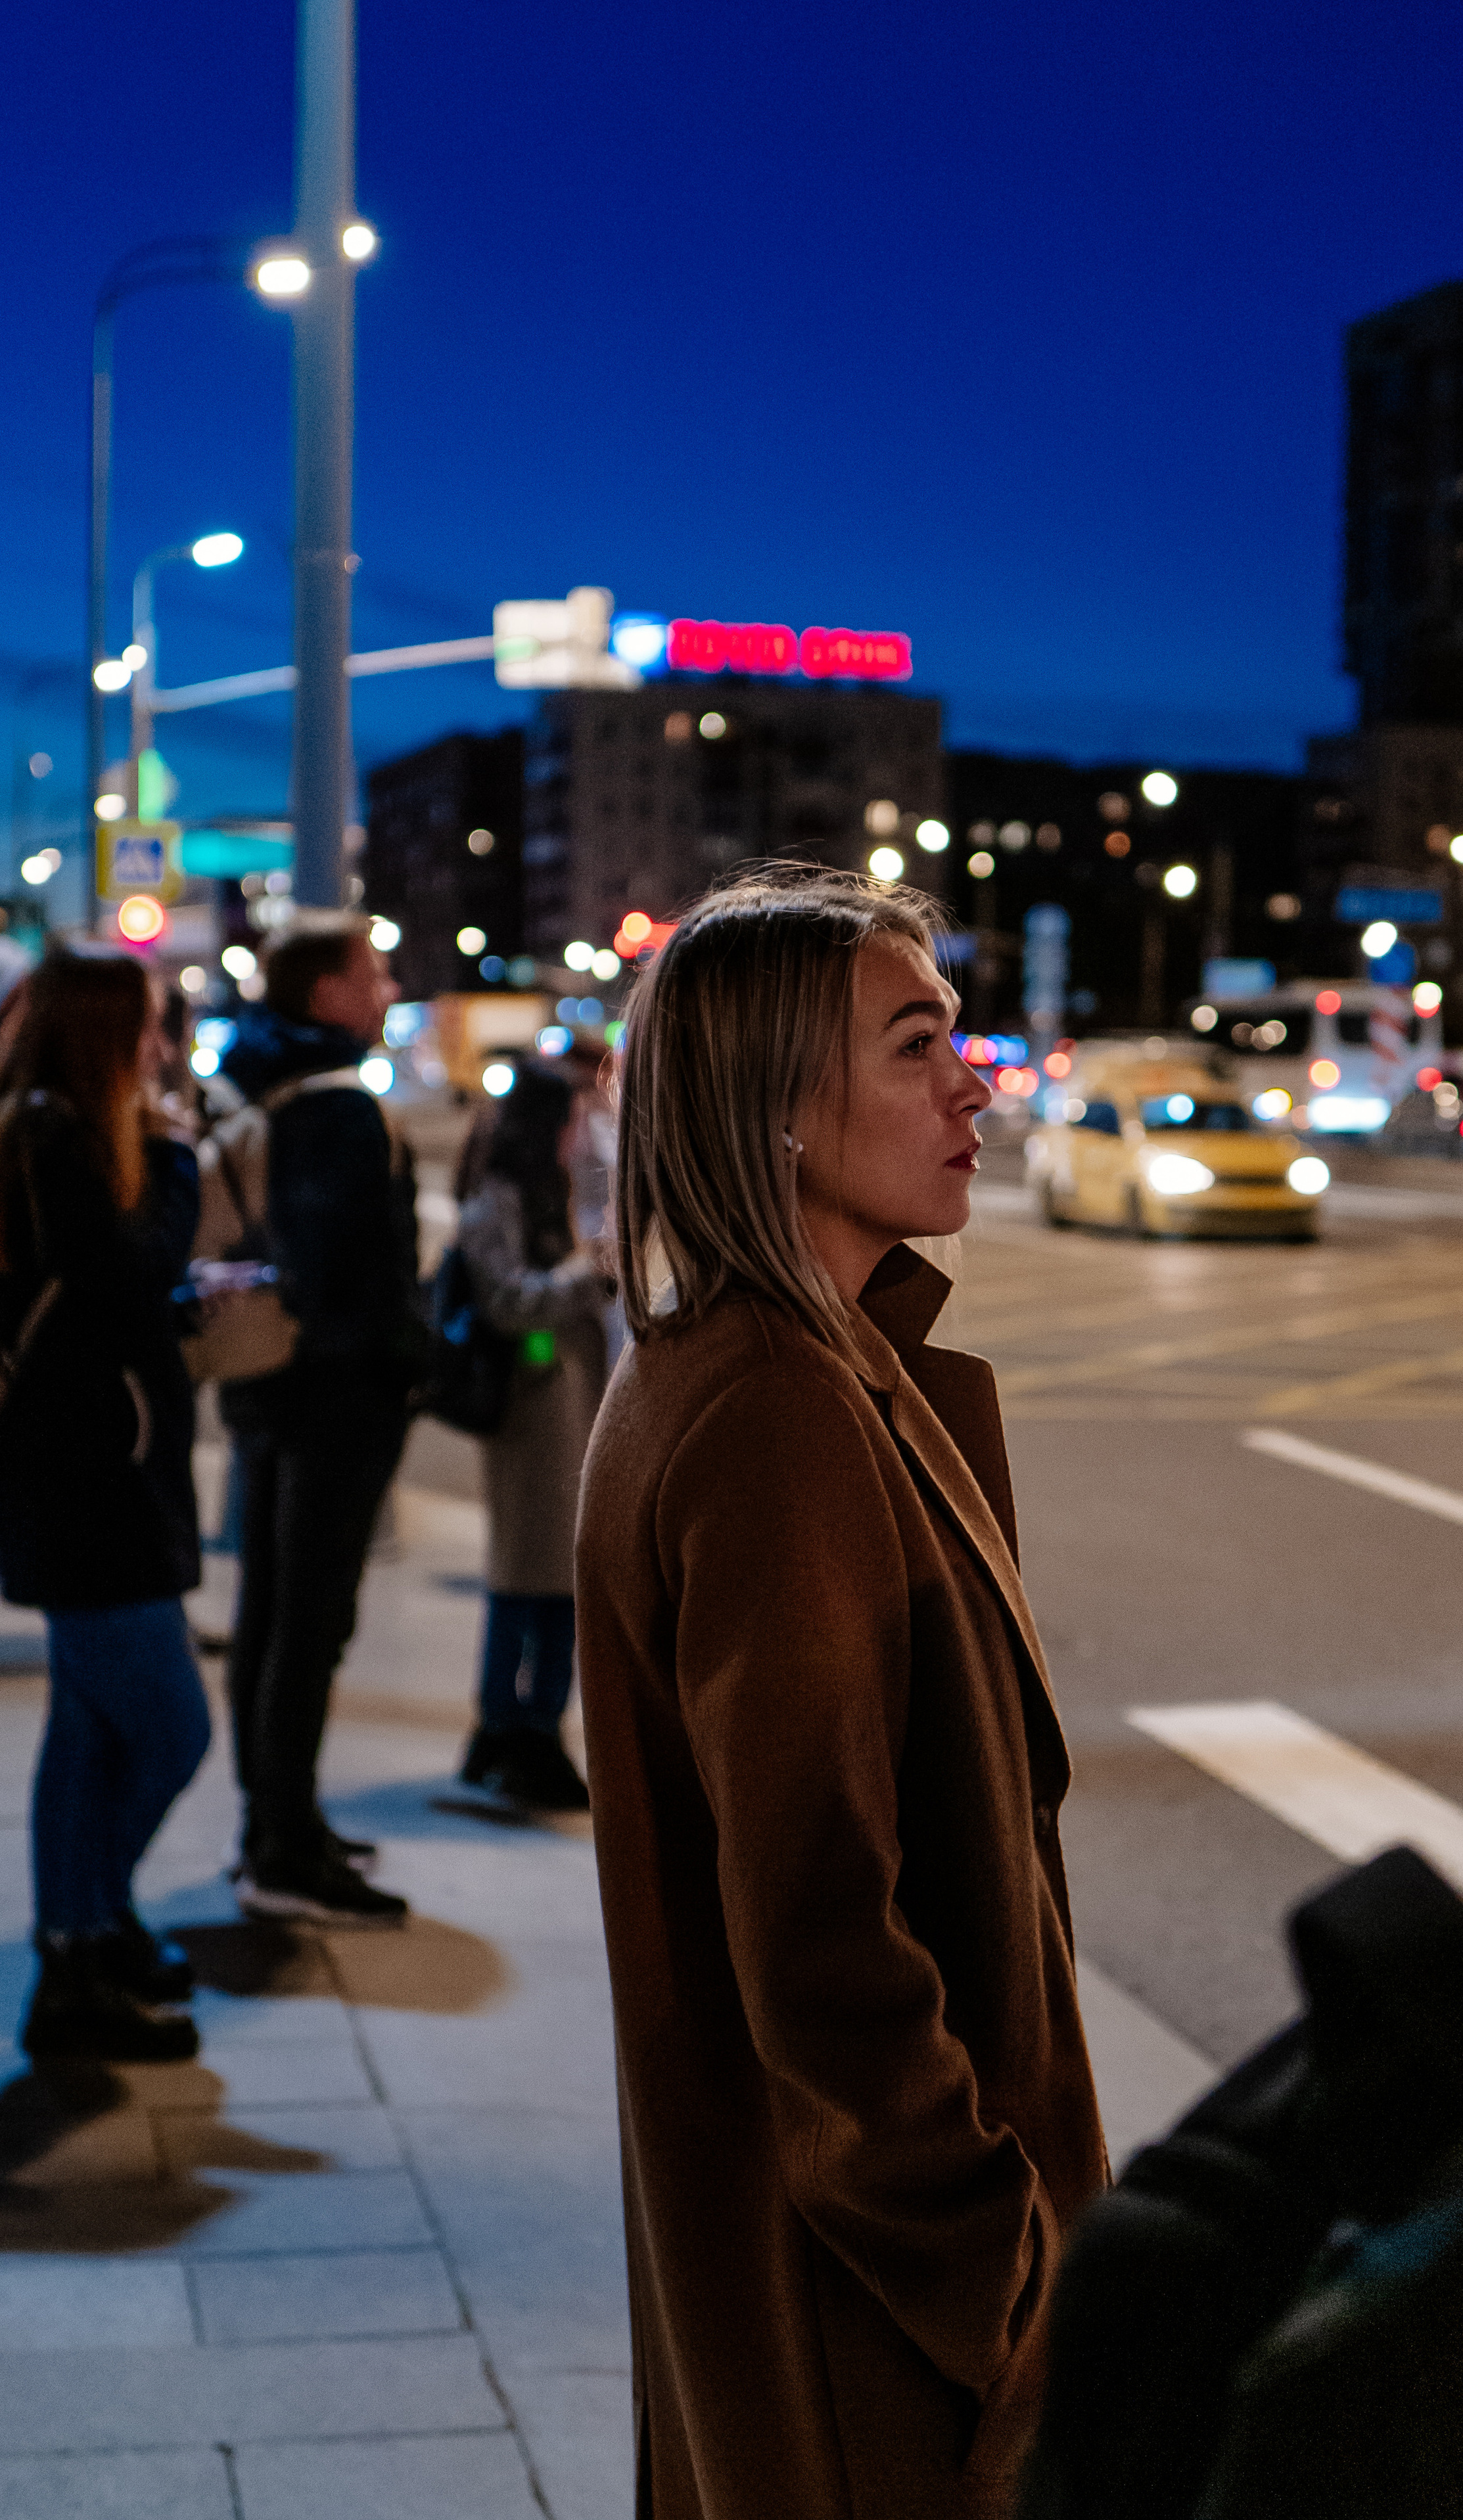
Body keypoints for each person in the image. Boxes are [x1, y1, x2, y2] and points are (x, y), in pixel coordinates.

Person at [575, 870, 1109, 2519]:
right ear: (780, 1111)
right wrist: (1011, 2286)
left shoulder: (753, 1365)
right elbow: (819, 1934)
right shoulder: (776, 1414)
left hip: (812, 2269)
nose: (972, 1079)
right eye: (915, 1042)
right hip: (875, 2326)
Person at [0, 948, 210, 2061]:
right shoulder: (53, 1140)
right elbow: (123, 1276)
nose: (160, 1046)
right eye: (147, 1025)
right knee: (173, 1730)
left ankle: (81, 1946)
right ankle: (82, 1935)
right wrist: (177, 1165)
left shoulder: (47, 1135)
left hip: (85, 1483)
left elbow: (103, 1301)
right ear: (100, 1032)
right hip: (89, 1494)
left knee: (84, 1737)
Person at [217, 915, 424, 1925]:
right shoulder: (339, 1108)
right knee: (310, 1619)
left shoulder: (263, 1084)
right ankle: (283, 1847)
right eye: (373, 973)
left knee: (272, 1608)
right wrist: (405, 1363)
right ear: (326, 992)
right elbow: (350, 1275)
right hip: (333, 1399)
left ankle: (274, 1819)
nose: (387, 988)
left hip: (268, 1385)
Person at [454, 1057, 609, 1806]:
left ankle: (528, 1729)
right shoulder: (498, 1199)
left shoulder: (556, 1193)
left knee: (557, 1584)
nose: (582, 1130)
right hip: (530, 1414)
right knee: (526, 1582)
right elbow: (508, 1300)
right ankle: (513, 1732)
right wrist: (591, 1275)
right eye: (573, 1115)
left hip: (570, 1411)